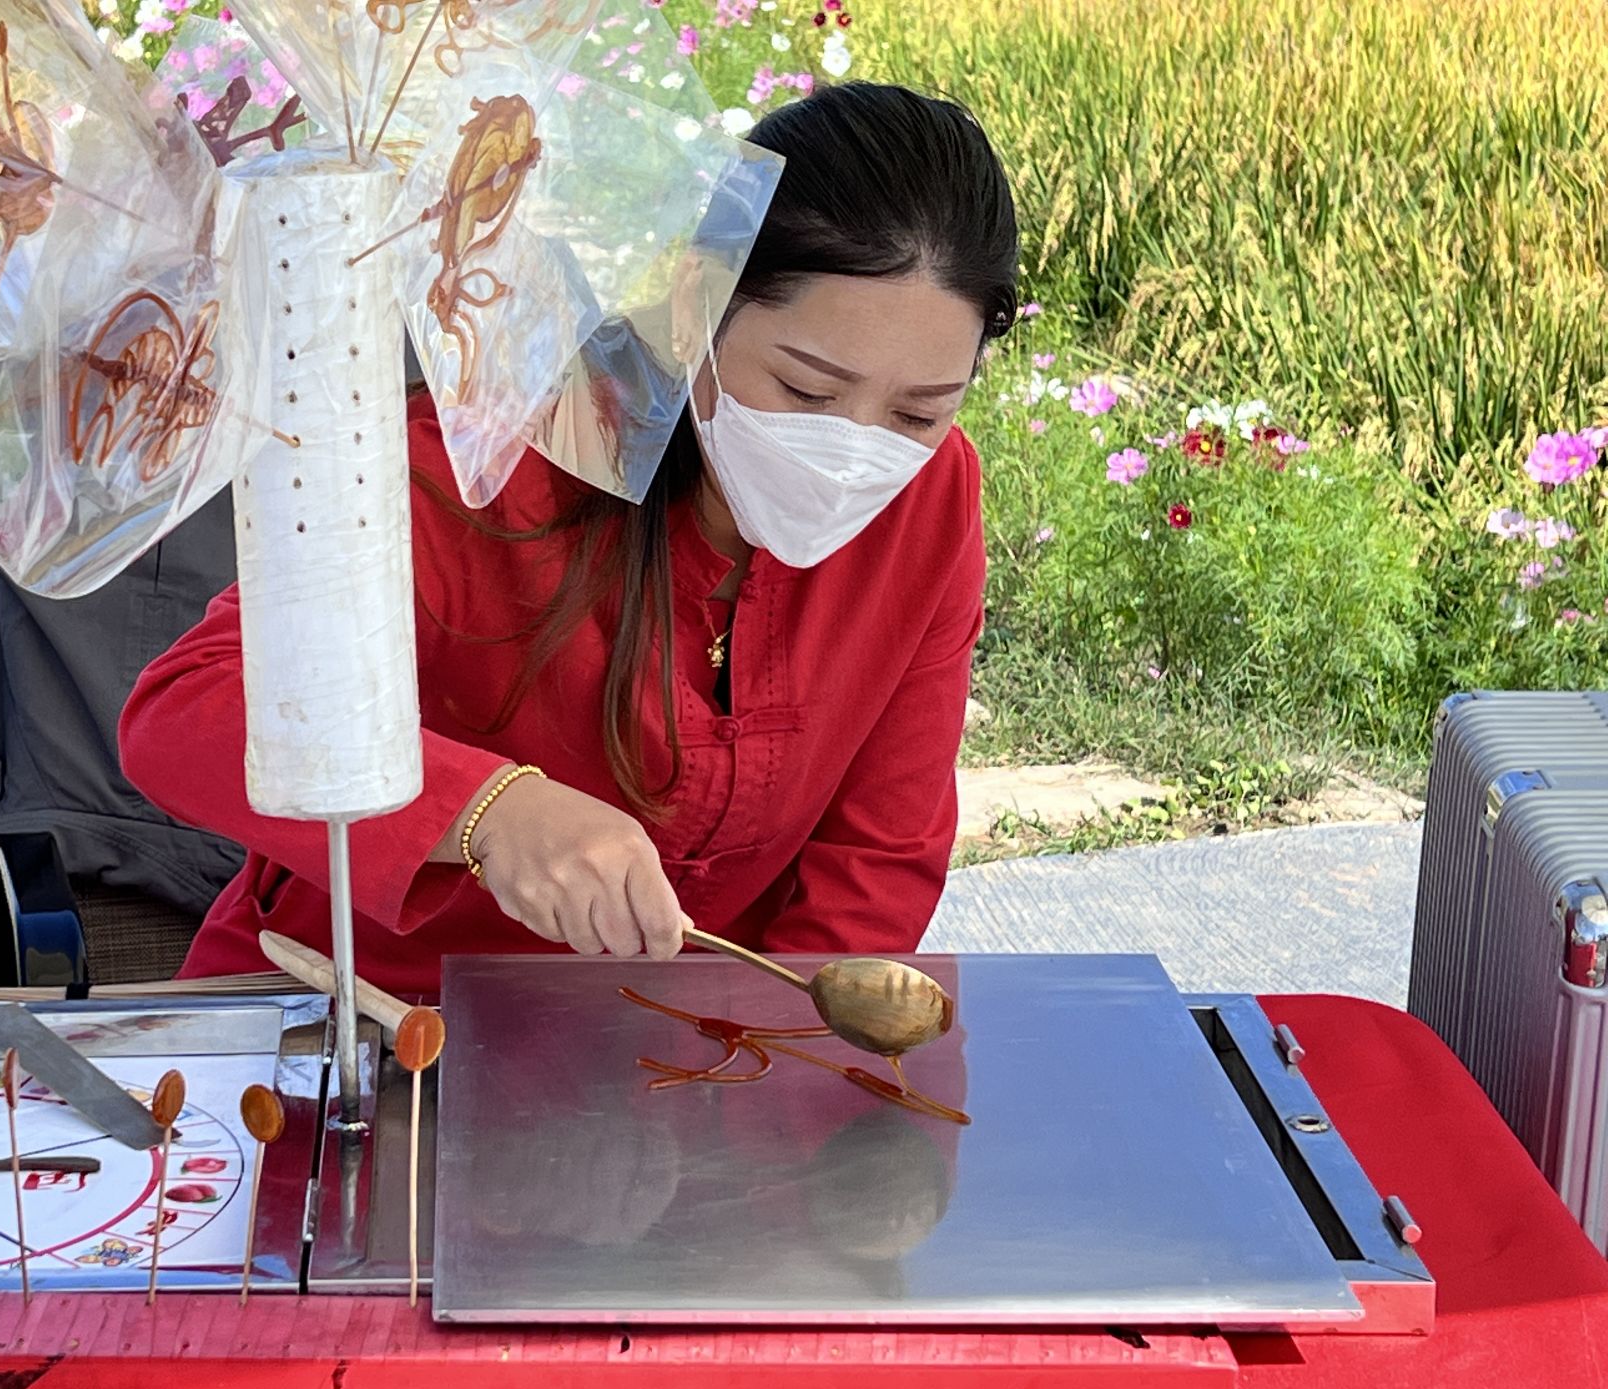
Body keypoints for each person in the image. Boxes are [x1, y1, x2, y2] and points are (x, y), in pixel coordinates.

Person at [120, 82, 1019, 1001]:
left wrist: (781, 1059)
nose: (853, 451)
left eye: (918, 411)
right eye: (805, 390)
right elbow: (181, 715)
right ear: (697, 300)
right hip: (370, 1014)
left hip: (681, 1048)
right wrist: (484, 809)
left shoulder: (932, 497)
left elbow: (875, 859)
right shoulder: (492, 461)